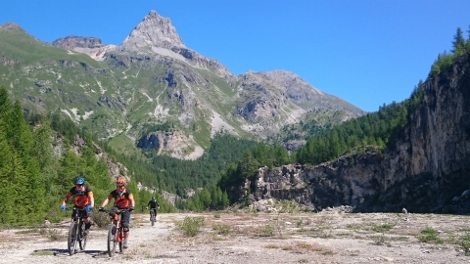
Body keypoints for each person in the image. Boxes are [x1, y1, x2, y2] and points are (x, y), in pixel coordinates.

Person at [99, 177, 135, 249]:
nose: (119, 187)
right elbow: (108, 199)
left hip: (126, 208)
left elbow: (132, 200)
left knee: (125, 225)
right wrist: (102, 206)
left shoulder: (128, 192)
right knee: (112, 213)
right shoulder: (114, 192)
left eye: (121, 186)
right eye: (118, 186)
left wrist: (132, 206)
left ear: (124, 185)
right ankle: (114, 228)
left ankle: (125, 241)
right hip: (117, 207)